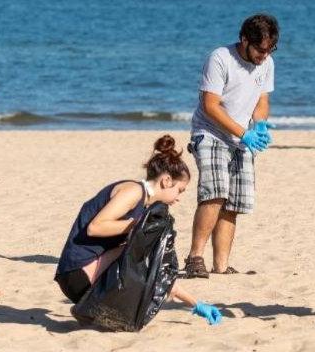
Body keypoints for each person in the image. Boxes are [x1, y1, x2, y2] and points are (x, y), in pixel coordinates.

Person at [55, 136, 223, 326]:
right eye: (180, 190)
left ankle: (88, 311)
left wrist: (196, 304)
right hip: (77, 274)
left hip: (87, 281)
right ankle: (89, 308)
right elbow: (96, 227)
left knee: (148, 256)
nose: (178, 199)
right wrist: (137, 226)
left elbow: (158, 270)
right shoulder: (134, 191)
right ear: (166, 181)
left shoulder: (145, 204)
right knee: (141, 253)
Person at [183, 14, 277, 278]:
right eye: (260, 49)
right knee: (215, 192)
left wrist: (259, 125)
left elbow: (261, 101)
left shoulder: (267, 62)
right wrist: (244, 133)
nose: (264, 55)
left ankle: (221, 266)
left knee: (234, 202)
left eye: (269, 50)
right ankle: (195, 258)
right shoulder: (220, 58)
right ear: (244, 40)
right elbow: (209, 106)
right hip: (210, 133)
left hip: (240, 137)